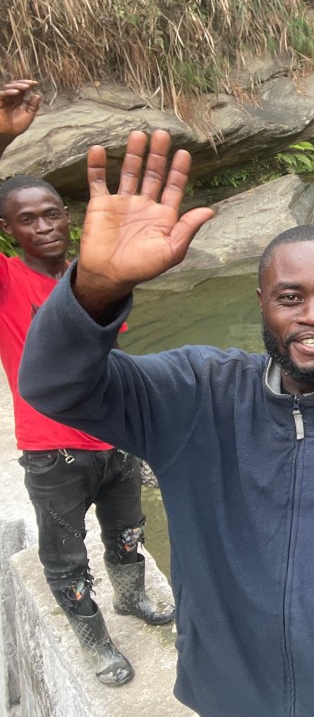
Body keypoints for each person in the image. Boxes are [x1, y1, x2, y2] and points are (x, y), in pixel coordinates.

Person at [19, 129, 314, 717]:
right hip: (230, 696)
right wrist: (97, 289)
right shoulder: (192, 394)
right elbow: (53, 387)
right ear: (261, 300)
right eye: (290, 298)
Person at [0, 81, 173, 689]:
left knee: (127, 531)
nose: (44, 226)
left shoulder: (92, 276)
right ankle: (95, 639)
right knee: (66, 554)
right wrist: (1, 138)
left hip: (114, 434)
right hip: (53, 450)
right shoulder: (8, 283)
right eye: (27, 219)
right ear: (9, 230)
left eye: (52, 213)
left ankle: (130, 595)